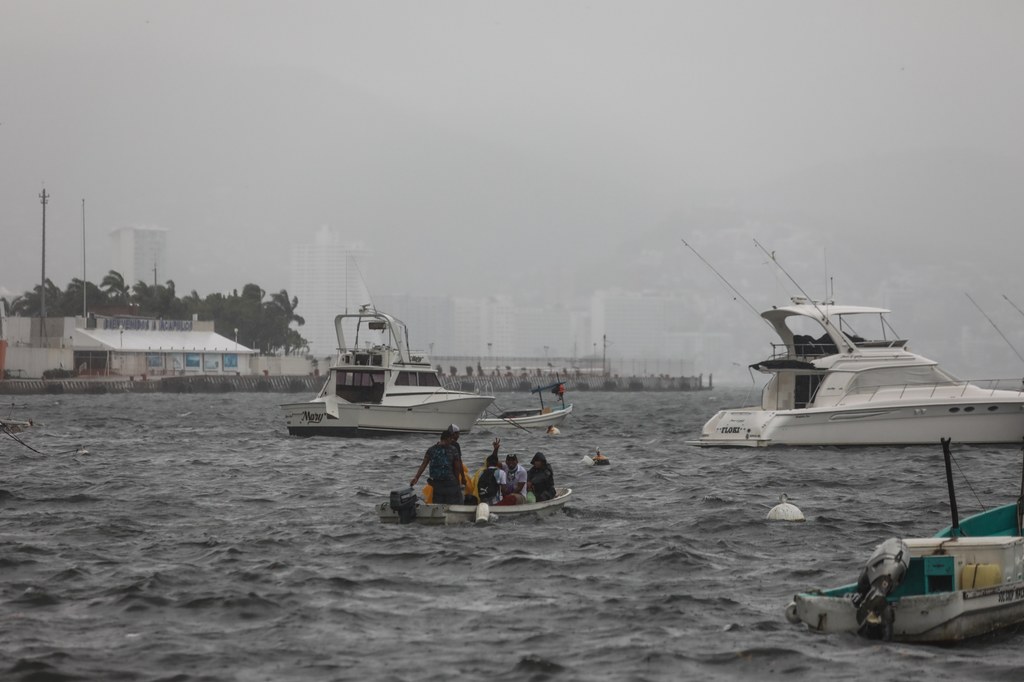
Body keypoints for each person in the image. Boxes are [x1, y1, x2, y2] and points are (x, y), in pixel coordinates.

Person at [410, 430, 465, 505]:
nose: (451, 441)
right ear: (448, 438)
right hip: (450, 483)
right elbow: (457, 467)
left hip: (436, 484)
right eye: (451, 439)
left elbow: (423, 464)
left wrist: (416, 477)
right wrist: (457, 482)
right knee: (455, 505)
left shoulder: (431, 450)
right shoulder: (453, 449)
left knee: (438, 507)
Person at [465, 438, 502, 504]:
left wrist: (495, 450)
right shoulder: (496, 472)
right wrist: (496, 450)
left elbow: (470, 487)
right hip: (489, 501)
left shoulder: (479, 472)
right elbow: (494, 460)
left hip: (477, 500)